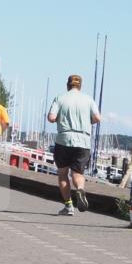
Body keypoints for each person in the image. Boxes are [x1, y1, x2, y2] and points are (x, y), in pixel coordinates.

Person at [47, 74, 101, 215]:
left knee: (63, 174)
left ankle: (69, 206)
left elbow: (51, 117)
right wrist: (87, 121)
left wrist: (60, 118)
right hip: (83, 141)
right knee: (77, 173)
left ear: (68, 85)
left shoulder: (60, 98)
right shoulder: (88, 99)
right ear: (80, 86)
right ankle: (80, 189)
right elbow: (97, 118)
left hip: (64, 139)